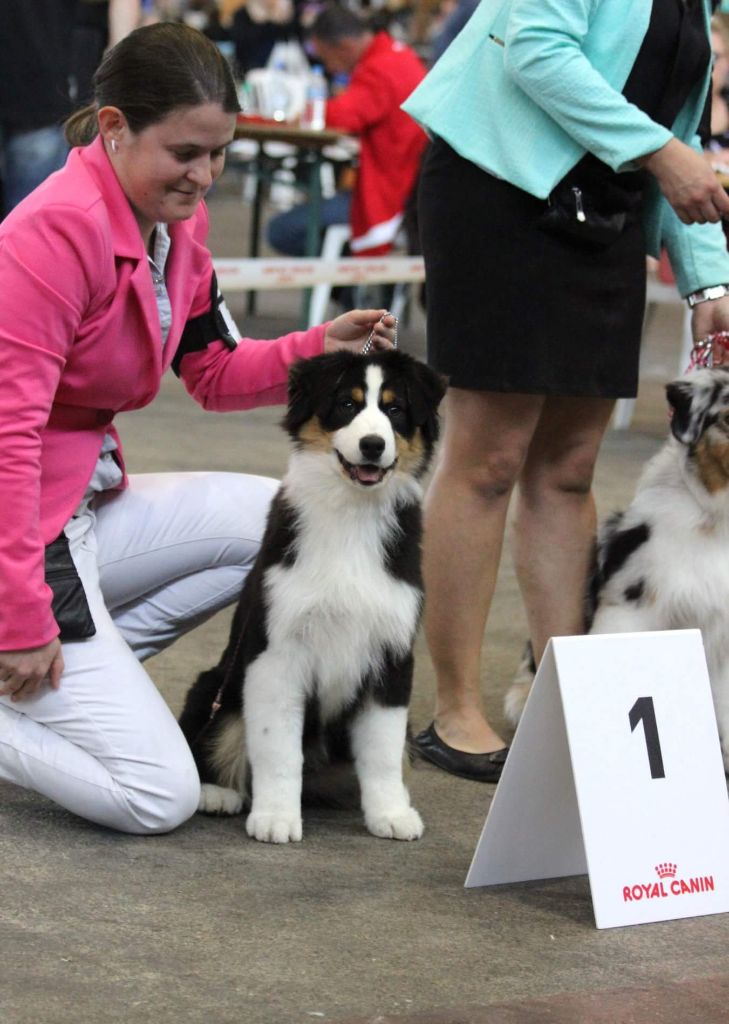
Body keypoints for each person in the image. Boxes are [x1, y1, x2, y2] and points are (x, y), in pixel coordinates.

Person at [0, 22, 395, 834]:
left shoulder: (173, 228)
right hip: (28, 520)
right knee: (158, 796)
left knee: (276, 521)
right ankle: (30, 675)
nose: (205, 175)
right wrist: (20, 617)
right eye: (185, 153)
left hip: (77, 501)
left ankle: (64, 675)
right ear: (114, 128)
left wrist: (317, 345)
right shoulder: (48, 235)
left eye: (219, 154)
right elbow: (8, 440)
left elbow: (212, 371)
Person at [401, 0, 729, 782]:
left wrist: (709, 278)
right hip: (499, 190)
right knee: (487, 460)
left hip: (605, 206)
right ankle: (455, 712)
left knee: (569, 469)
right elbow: (535, 48)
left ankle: (571, 707)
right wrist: (656, 153)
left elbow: (681, 137)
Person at [266, 4, 427, 258]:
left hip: (390, 196)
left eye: (325, 58)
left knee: (281, 230)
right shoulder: (397, 55)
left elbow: (339, 117)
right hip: (408, 187)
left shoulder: (379, 69)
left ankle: (351, 289)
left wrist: (303, 114)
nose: (330, 69)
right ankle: (357, 288)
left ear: (343, 47)